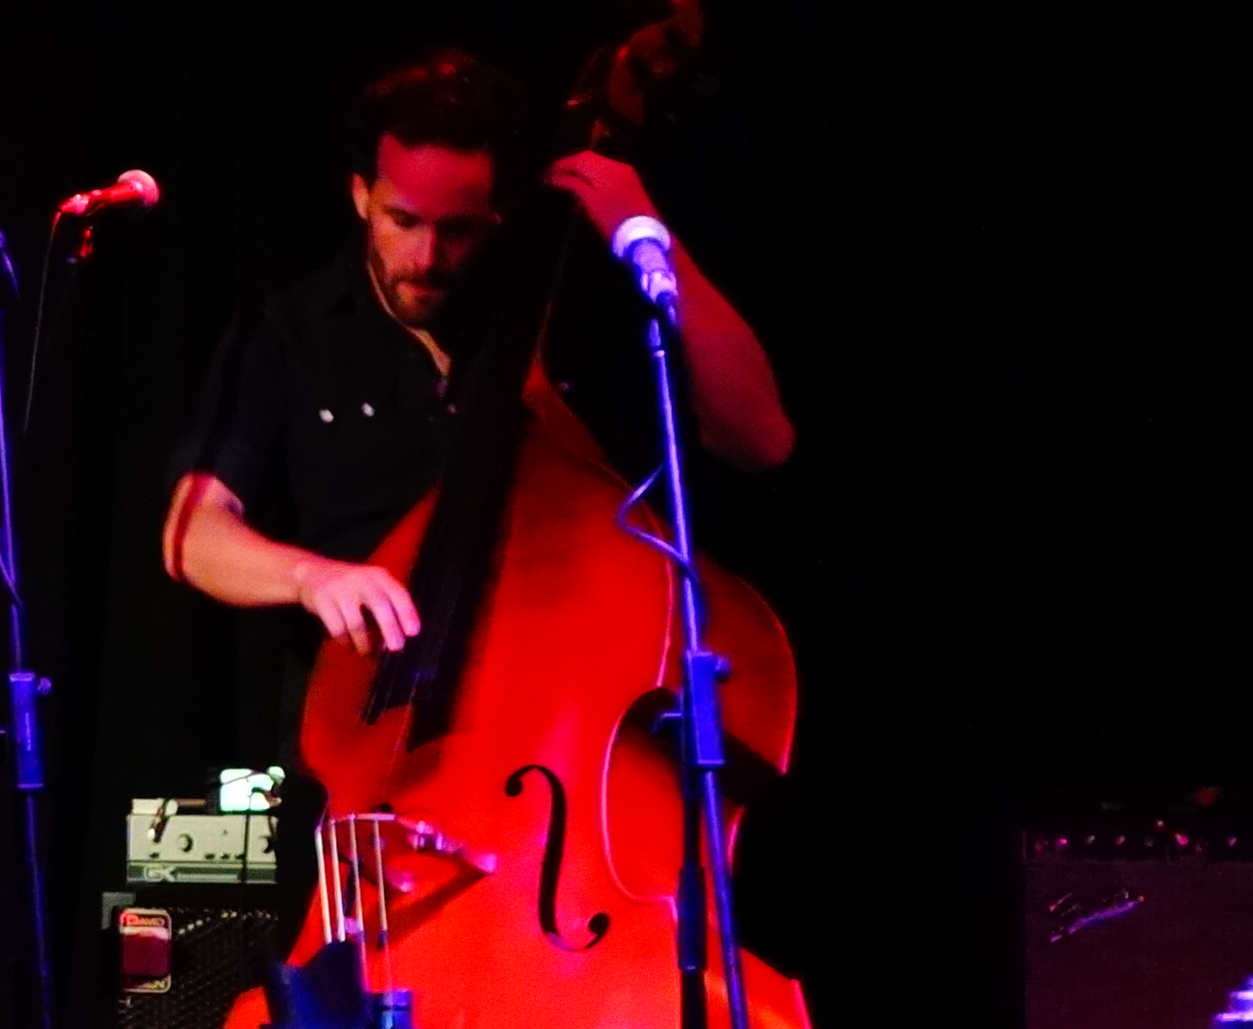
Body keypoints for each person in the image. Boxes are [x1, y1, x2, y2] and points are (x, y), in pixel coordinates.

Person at [161, 43, 788, 742]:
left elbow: (761, 440)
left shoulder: (564, 316)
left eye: (457, 230)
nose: (427, 258)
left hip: (552, 724)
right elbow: (193, 536)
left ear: (499, 213)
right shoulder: (291, 332)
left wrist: (646, 231)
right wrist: (312, 578)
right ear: (361, 196)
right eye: (403, 221)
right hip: (353, 737)